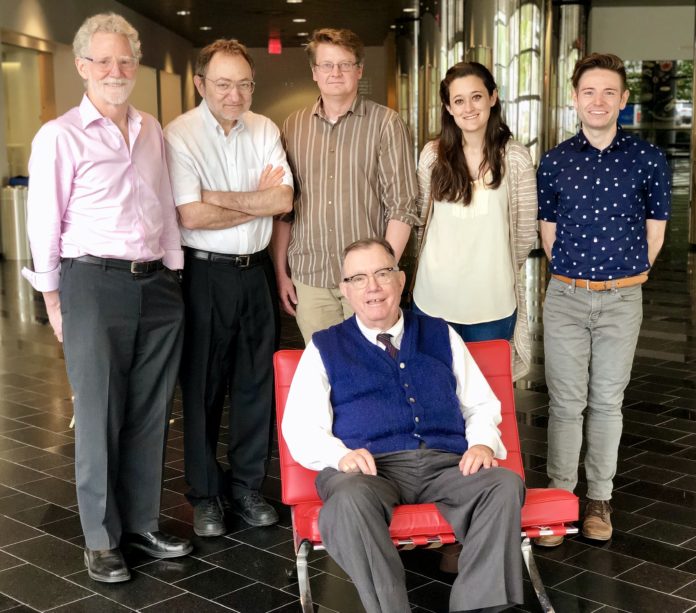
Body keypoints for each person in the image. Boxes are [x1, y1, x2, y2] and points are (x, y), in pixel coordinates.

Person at [21, 13, 191, 583]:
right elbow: (43, 222)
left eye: (124, 60)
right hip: (92, 283)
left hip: (157, 286)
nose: (115, 70)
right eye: (103, 60)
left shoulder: (150, 130)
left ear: (135, 66)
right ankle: (100, 537)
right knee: (97, 413)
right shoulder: (60, 136)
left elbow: (164, 206)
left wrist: (173, 273)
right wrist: (52, 300)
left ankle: (141, 521)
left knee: (150, 411)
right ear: (81, 67)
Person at [282, 238, 525, 613]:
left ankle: (476, 608)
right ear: (345, 290)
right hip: (368, 470)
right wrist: (340, 455)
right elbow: (300, 427)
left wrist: (481, 444)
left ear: (401, 279)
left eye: (382, 273)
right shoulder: (325, 347)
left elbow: (480, 403)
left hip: (446, 464)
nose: (373, 287)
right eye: (359, 278)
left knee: (503, 485)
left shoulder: (440, 333)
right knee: (347, 500)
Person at [536, 53, 671, 546]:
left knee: (607, 402)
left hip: (622, 299)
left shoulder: (649, 159)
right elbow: (549, 236)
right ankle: (557, 496)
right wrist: (579, 278)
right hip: (567, 297)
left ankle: (598, 499)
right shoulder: (554, 161)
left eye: (608, 92)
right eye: (588, 91)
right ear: (575, 99)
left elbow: (655, 236)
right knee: (566, 404)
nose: (598, 100)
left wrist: (622, 279)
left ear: (623, 100)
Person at [164, 39, 293, 537]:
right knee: (201, 389)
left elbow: (283, 198)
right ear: (201, 84)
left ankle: (245, 486)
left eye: (244, 83)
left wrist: (223, 197)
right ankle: (205, 495)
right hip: (204, 275)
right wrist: (255, 200)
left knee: (256, 385)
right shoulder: (179, 135)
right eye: (223, 83)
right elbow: (189, 213)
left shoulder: (264, 128)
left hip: (255, 270)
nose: (235, 94)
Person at [273, 28, 419, 344]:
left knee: (374, 369)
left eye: (345, 64)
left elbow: (403, 206)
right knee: (326, 370)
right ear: (314, 72)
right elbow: (285, 209)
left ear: (359, 69)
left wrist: (386, 274)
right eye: (326, 64)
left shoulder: (386, 123)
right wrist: (281, 273)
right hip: (310, 279)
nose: (335, 72)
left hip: (369, 282)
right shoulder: (293, 126)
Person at [412, 62, 538, 380]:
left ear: (493, 97)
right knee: (438, 395)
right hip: (434, 301)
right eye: (459, 100)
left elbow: (524, 231)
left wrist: (495, 265)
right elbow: (419, 222)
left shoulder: (515, 157)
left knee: (489, 398)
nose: (469, 108)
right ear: (448, 107)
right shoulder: (432, 156)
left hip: (492, 303)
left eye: (477, 97)